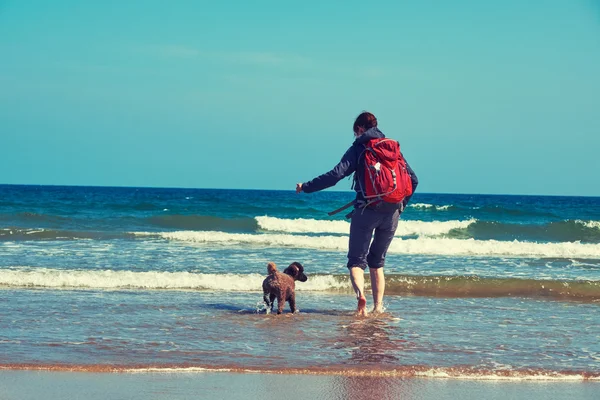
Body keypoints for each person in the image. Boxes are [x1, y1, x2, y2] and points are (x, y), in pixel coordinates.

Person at [296, 112, 418, 316]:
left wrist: (306, 187)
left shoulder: (359, 148)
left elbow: (335, 175)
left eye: (355, 132)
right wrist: (401, 205)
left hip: (366, 210)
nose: (355, 135)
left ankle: (361, 298)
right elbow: (413, 180)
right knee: (377, 262)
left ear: (360, 129)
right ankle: (378, 308)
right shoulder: (393, 148)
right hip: (392, 213)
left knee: (356, 261)